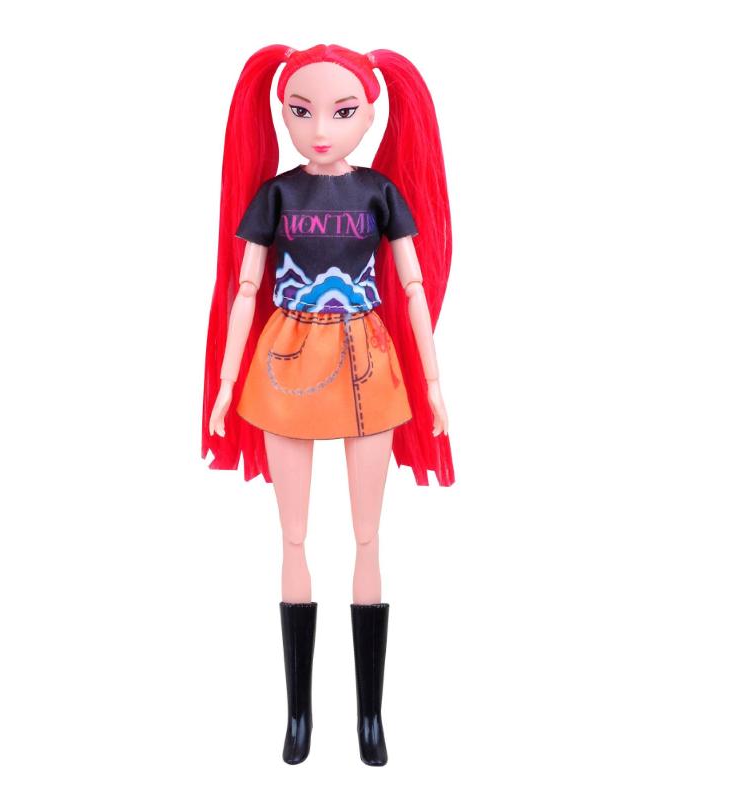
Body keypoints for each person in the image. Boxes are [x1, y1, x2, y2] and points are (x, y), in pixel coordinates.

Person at [201, 43, 454, 766]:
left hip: (367, 358)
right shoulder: (276, 195)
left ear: (371, 114)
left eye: (342, 112)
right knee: (293, 538)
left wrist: (434, 383)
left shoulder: (380, 193)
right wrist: (224, 384)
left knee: (368, 537)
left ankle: (370, 716)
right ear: (280, 113)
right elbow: (245, 290)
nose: (319, 129)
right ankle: (299, 714)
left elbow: (412, 288)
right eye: (300, 111)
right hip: (286, 361)